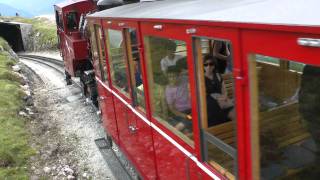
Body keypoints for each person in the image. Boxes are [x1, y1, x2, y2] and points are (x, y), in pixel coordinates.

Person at [204, 55, 235, 126]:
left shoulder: (218, 76)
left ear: (214, 65)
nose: (208, 67)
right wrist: (217, 99)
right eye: (206, 64)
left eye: (211, 64)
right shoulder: (201, 79)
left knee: (235, 113)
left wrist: (224, 97)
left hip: (222, 101)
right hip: (211, 105)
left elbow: (224, 90)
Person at [165, 66, 192, 134]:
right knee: (190, 121)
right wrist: (185, 116)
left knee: (194, 119)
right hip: (180, 113)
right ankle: (178, 128)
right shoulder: (169, 90)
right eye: (170, 77)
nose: (172, 79)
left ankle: (180, 127)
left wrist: (183, 72)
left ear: (179, 75)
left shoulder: (184, 79)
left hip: (192, 109)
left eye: (174, 76)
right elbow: (172, 109)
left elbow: (193, 74)